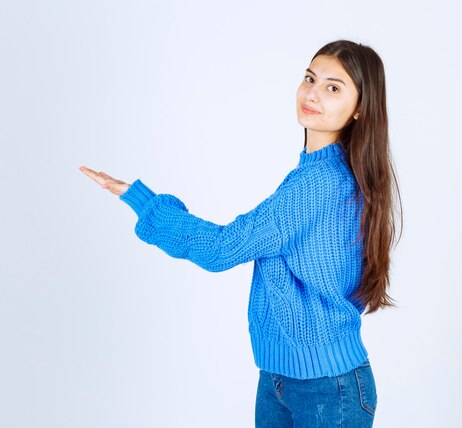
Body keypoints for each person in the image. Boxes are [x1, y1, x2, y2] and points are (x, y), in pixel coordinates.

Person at [80, 39, 402, 428]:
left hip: (325, 388)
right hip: (282, 377)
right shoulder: (321, 175)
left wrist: (143, 202)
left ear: (359, 109)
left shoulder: (317, 185)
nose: (312, 93)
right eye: (310, 79)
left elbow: (220, 249)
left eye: (333, 88)